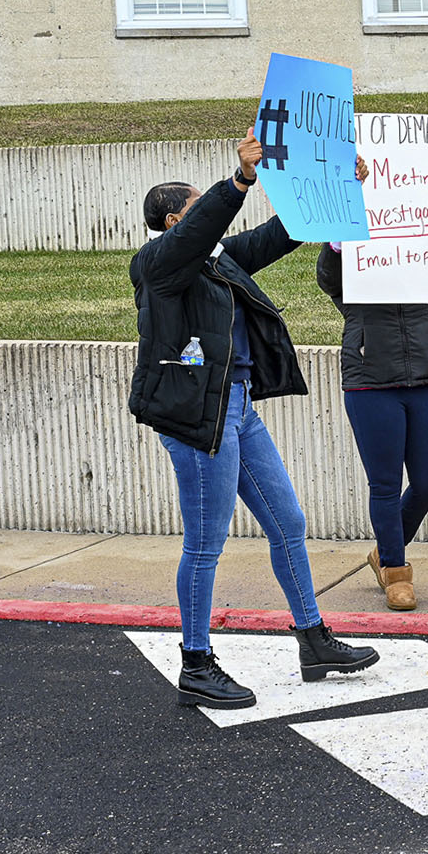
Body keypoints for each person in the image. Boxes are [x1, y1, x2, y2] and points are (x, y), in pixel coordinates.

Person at [129, 134, 379, 710]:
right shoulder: (157, 264)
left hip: (238, 408)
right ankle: (196, 663)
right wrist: (238, 182)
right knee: (206, 543)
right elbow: (199, 232)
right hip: (197, 420)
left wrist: (342, 189)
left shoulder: (217, 261)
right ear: (173, 220)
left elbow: (280, 233)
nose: (206, 219)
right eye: (196, 209)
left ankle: (313, 638)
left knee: (288, 521)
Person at [317, 169, 428, 611]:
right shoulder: (350, 262)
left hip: (422, 374)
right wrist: (343, 227)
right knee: (386, 484)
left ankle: (383, 549)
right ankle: (396, 569)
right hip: (370, 376)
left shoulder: (416, 255)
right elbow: (328, 274)